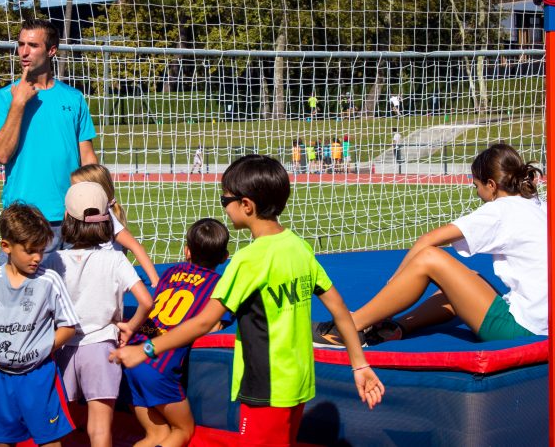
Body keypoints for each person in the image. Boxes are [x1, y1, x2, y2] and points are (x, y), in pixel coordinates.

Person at [112, 155, 384, 447]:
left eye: (224, 200)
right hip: (300, 382)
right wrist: (359, 364)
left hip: (264, 387)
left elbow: (203, 321)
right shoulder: (299, 247)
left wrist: (147, 349)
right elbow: (339, 308)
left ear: (246, 205)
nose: (224, 207)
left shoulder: (248, 261)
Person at [313, 144, 555, 347]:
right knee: (466, 282)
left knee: (430, 259)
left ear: (492, 185)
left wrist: (394, 283)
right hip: (543, 327)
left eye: (476, 183)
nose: (474, 189)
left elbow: (427, 242)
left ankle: (349, 326)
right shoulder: (545, 207)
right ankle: (395, 328)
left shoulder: (499, 210)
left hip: (520, 332)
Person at [43, 182, 154, 447]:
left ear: (67, 219)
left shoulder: (54, 261)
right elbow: (147, 301)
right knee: (101, 428)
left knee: (63, 424)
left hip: (62, 348)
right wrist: (131, 327)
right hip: (103, 346)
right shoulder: (115, 260)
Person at [0, 204, 80, 447]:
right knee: (3, 440)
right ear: (6, 246)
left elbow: (68, 325)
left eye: (41, 250)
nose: (37, 257)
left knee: (50, 441)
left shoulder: (50, 281)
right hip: (1, 378)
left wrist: (44, 349)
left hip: (38, 377)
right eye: (30, 251)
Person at [0, 16, 98, 251]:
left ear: (51, 50)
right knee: (18, 287)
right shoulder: (4, 98)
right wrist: (18, 103)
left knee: (74, 289)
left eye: (33, 45)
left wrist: (94, 202)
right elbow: (1, 154)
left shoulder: (74, 98)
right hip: (24, 220)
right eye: (20, 44)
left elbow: (88, 158)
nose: (24, 52)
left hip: (72, 217)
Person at [122, 218, 230, 447]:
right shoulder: (219, 285)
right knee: (183, 429)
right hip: (159, 366)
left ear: (187, 251)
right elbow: (210, 326)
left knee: (156, 435)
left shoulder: (172, 272)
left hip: (133, 355)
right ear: (224, 257)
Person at [70, 164, 160, 286]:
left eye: (78, 190)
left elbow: (136, 247)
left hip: (109, 280)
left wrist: (155, 281)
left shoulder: (107, 217)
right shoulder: (82, 215)